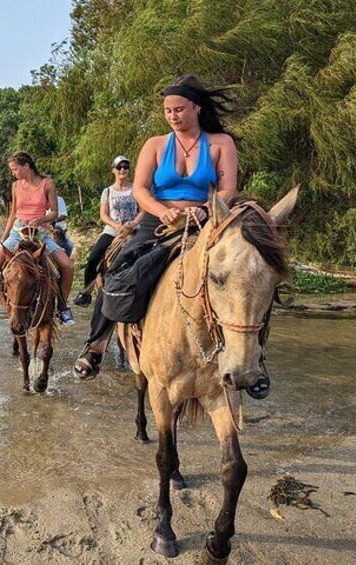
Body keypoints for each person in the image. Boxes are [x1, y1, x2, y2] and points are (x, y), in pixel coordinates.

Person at [72, 74, 238, 377]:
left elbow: (227, 190)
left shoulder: (220, 143)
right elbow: (140, 190)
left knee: (244, 272)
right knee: (117, 270)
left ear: (197, 108)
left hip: (205, 220)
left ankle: (250, 354)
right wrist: (162, 212)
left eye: (179, 109)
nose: (173, 116)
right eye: (168, 111)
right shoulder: (156, 144)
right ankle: (96, 344)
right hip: (157, 221)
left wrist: (203, 210)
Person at [0, 152, 76, 325]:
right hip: (18, 232)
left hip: (39, 234)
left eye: (15, 169)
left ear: (26, 166)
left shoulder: (47, 183)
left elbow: (55, 212)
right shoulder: (16, 186)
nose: (13, 173)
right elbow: (12, 214)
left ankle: (63, 307)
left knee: (68, 266)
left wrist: (42, 219)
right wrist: (2, 241)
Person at [73, 155, 141, 307]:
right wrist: (117, 226)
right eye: (119, 167)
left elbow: (143, 210)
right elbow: (103, 214)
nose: (122, 169)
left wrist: (134, 223)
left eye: (125, 166)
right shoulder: (108, 191)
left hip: (134, 230)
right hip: (113, 231)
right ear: (113, 170)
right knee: (93, 259)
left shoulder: (136, 189)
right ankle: (86, 293)